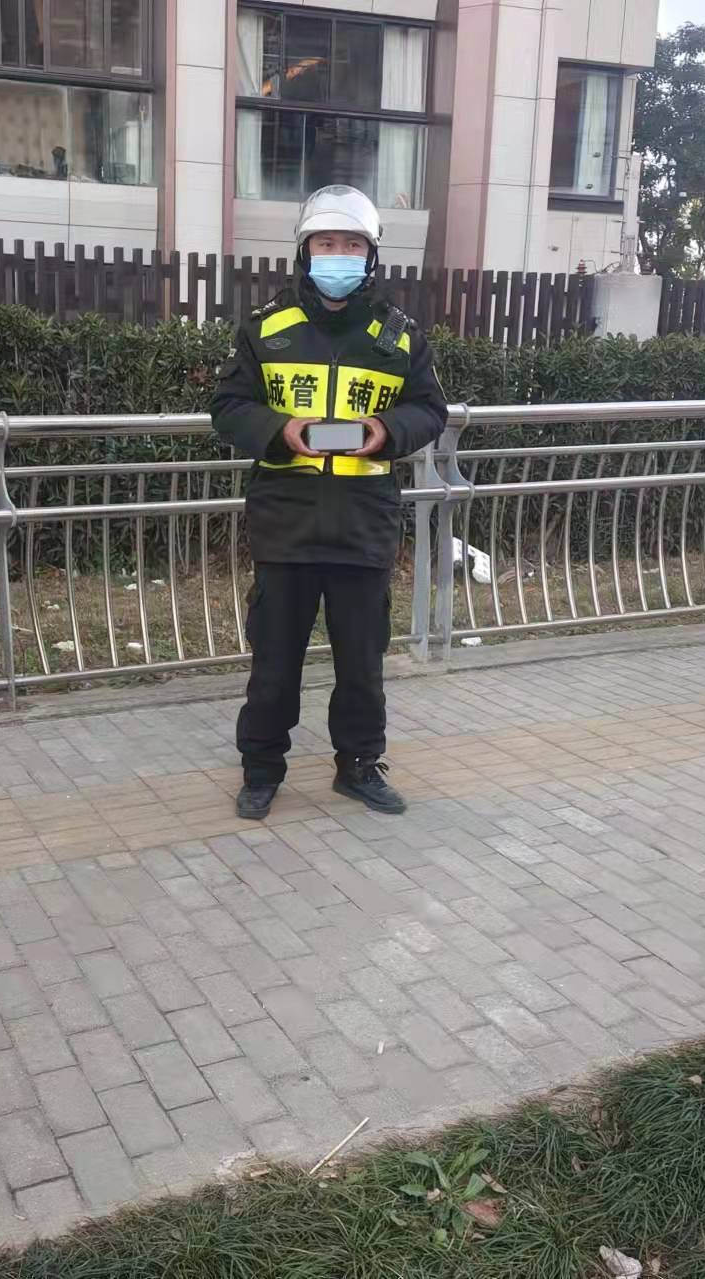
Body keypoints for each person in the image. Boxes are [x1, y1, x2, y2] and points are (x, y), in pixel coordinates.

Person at [210, 185, 448, 821]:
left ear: (371, 256)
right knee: (274, 665)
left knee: (362, 665)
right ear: (304, 251)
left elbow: (430, 409)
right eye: (325, 243)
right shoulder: (266, 328)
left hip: (363, 524)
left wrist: (386, 430)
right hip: (285, 522)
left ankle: (360, 765)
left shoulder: (399, 337)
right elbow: (228, 407)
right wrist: (279, 429)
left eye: (350, 244)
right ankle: (261, 771)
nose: (337, 254)